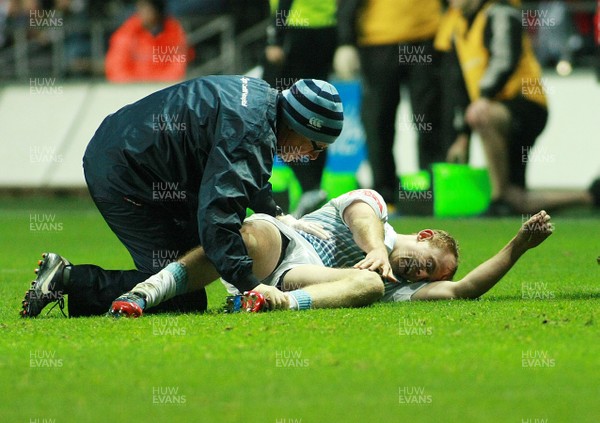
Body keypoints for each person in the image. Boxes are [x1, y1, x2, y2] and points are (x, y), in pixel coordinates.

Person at [20, 76, 344, 318]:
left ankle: (71, 281)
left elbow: (240, 170)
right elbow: (217, 219)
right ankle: (67, 279)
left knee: (193, 266)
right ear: (300, 125)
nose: (313, 156)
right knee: (181, 294)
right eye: (316, 146)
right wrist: (252, 284)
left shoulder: (262, 102)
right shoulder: (252, 131)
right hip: (127, 175)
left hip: (130, 153)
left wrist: (273, 211)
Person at [105, 189, 551, 317]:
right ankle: (146, 293)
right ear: (424, 234)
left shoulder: (397, 286)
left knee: (370, 284)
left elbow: (463, 291)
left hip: (294, 281)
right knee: (248, 237)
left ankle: (269, 304)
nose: (421, 271)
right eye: (428, 261)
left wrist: (519, 246)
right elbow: (362, 216)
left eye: (428, 276)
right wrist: (376, 248)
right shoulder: (373, 208)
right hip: (280, 242)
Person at [438, 0, 596, 215]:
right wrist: (463, 135)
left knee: (483, 116)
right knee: (517, 199)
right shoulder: (456, 27)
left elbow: (505, 60)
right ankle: (590, 196)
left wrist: (484, 97)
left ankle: (498, 198)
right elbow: (462, 84)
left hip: (526, 104)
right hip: (496, 107)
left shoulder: (501, 13)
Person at [335, 0, 445, 207]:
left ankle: (436, 193)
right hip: (378, 39)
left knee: (429, 118)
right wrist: (345, 41)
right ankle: (384, 196)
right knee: (378, 120)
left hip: (427, 35)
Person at [262, 0, 338, 217]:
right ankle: (314, 188)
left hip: (294, 31)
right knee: (317, 111)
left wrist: (275, 37)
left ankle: (309, 188)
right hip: (326, 31)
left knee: (274, 114)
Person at [104, 0, 188, 82]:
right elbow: (116, 68)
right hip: (131, 91)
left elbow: (177, 69)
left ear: (157, 10)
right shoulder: (127, 33)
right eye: (139, 7)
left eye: (145, 7)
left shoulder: (175, 32)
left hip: (163, 90)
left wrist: (157, 86)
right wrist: (135, 87)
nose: (140, 12)